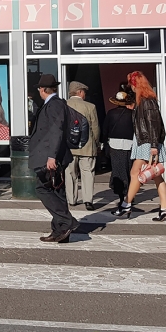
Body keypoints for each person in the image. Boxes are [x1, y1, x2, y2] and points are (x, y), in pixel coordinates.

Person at [112, 71, 166, 221]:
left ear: (135, 84)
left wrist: (153, 146)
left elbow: (153, 124)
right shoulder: (146, 99)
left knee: (134, 173)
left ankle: (126, 205)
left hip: (147, 143)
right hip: (148, 142)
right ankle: (165, 208)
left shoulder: (146, 101)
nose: (130, 87)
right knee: (157, 176)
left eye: (131, 84)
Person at [29, 74, 77, 242]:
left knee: (42, 189)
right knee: (57, 191)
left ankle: (66, 222)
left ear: (43, 90)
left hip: (51, 157)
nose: (38, 92)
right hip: (53, 155)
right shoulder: (54, 104)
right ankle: (60, 231)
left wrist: (51, 157)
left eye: (39, 89)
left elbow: (56, 131)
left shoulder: (55, 105)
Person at [64, 81, 100, 211]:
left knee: (70, 173)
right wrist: (96, 143)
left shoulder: (64, 106)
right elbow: (95, 128)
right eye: (84, 91)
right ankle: (88, 200)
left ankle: (71, 200)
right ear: (79, 92)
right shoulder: (90, 107)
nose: (85, 94)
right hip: (87, 146)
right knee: (88, 173)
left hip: (69, 147)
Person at [102, 88, 134, 205]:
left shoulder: (111, 113)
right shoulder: (132, 114)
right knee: (129, 169)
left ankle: (121, 195)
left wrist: (104, 143)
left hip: (114, 145)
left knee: (118, 170)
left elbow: (105, 130)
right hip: (130, 145)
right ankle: (130, 193)